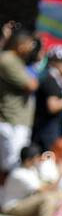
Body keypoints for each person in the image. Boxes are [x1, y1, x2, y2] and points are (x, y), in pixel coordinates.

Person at [1, 145, 61, 216]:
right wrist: (60, 174)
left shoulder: (32, 171)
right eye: (37, 158)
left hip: (25, 203)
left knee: (58, 195)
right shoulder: (19, 173)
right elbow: (42, 189)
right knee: (47, 198)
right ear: (29, 160)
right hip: (12, 207)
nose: (39, 160)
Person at [0, 30, 38, 177]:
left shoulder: (17, 61)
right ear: (20, 45)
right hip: (11, 121)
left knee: (11, 166)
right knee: (10, 166)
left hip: (17, 121)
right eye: (30, 44)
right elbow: (31, 85)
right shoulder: (8, 59)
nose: (32, 48)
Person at [33, 47, 62, 152]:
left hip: (49, 129)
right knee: (48, 160)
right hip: (47, 131)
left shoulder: (53, 78)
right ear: (53, 63)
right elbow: (52, 106)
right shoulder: (50, 79)